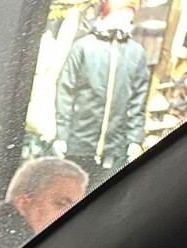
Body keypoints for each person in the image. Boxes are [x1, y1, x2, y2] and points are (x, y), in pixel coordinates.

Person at [55, 0, 150, 187]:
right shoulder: (83, 47)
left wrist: (134, 139)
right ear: (108, 12)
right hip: (79, 142)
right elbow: (65, 91)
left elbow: (138, 100)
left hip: (115, 148)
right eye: (121, 12)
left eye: (129, 13)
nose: (125, 17)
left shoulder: (136, 53)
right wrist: (62, 134)